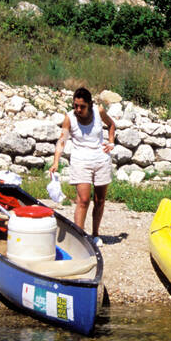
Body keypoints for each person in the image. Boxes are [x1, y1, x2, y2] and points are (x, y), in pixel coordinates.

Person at [51, 87, 115, 245]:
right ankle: (79, 238)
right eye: (75, 105)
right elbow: (62, 140)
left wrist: (111, 142)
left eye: (82, 106)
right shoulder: (69, 118)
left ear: (90, 104)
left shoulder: (99, 112)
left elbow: (112, 125)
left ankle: (95, 234)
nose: (78, 109)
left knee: (100, 200)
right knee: (83, 200)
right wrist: (55, 161)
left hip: (101, 159)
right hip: (81, 160)